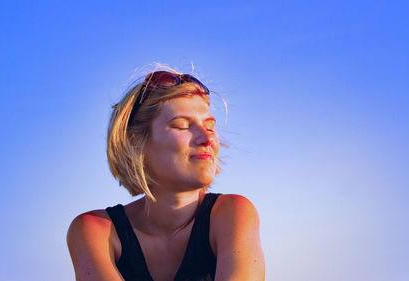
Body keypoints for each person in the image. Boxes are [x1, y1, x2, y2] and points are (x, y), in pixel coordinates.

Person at [67, 69, 265, 281]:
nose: (207, 140)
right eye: (182, 125)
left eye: (209, 127)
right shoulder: (95, 229)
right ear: (136, 143)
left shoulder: (232, 212)